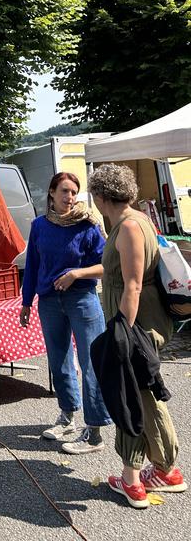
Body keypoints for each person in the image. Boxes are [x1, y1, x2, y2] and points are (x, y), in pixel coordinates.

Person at [88, 163, 187, 508]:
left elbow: (131, 284)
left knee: (130, 392)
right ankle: (166, 468)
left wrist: (122, 332)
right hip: (137, 319)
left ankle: (133, 479)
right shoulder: (134, 221)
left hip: (136, 321)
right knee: (145, 392)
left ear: (100, 196)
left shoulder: (129, 226)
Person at [20, 172, 111, 454]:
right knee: (59, 361)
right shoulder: (39, 226)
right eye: (65, 191)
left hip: (82, 298)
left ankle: (94, 432)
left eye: (74, 192)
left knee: (91, 362)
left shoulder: (88, 225)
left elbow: (108, 264)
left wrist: (76, 273)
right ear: (51, 193)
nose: (70, 197)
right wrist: (26, 301)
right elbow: (32, 266)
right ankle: (68, 415)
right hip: (49, 300)